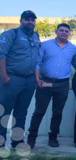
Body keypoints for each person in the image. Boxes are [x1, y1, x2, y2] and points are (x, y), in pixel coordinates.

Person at [27, 23, 76, 149]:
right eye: (61, 30)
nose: (64, 33)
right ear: (56, 31)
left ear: (69, 33)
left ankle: (53, 137)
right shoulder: (46, 45)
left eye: (67, 31)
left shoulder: (73, 48)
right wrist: (37, 79)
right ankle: (31, 138)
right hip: (46, 82)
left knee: (57, 113)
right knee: (39, 111)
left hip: (62, 84)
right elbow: (38, 62)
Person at [0, 10, 40, 149]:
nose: (30, 22)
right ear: (21, 21)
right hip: (12, 79)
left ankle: (17, 141)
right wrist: (4, 77)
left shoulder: (36, 36)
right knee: (5, 112)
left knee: (21, 113)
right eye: (27, 19)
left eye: (32, 20)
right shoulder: (11, 34)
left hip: (28, 81)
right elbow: (1, 54)